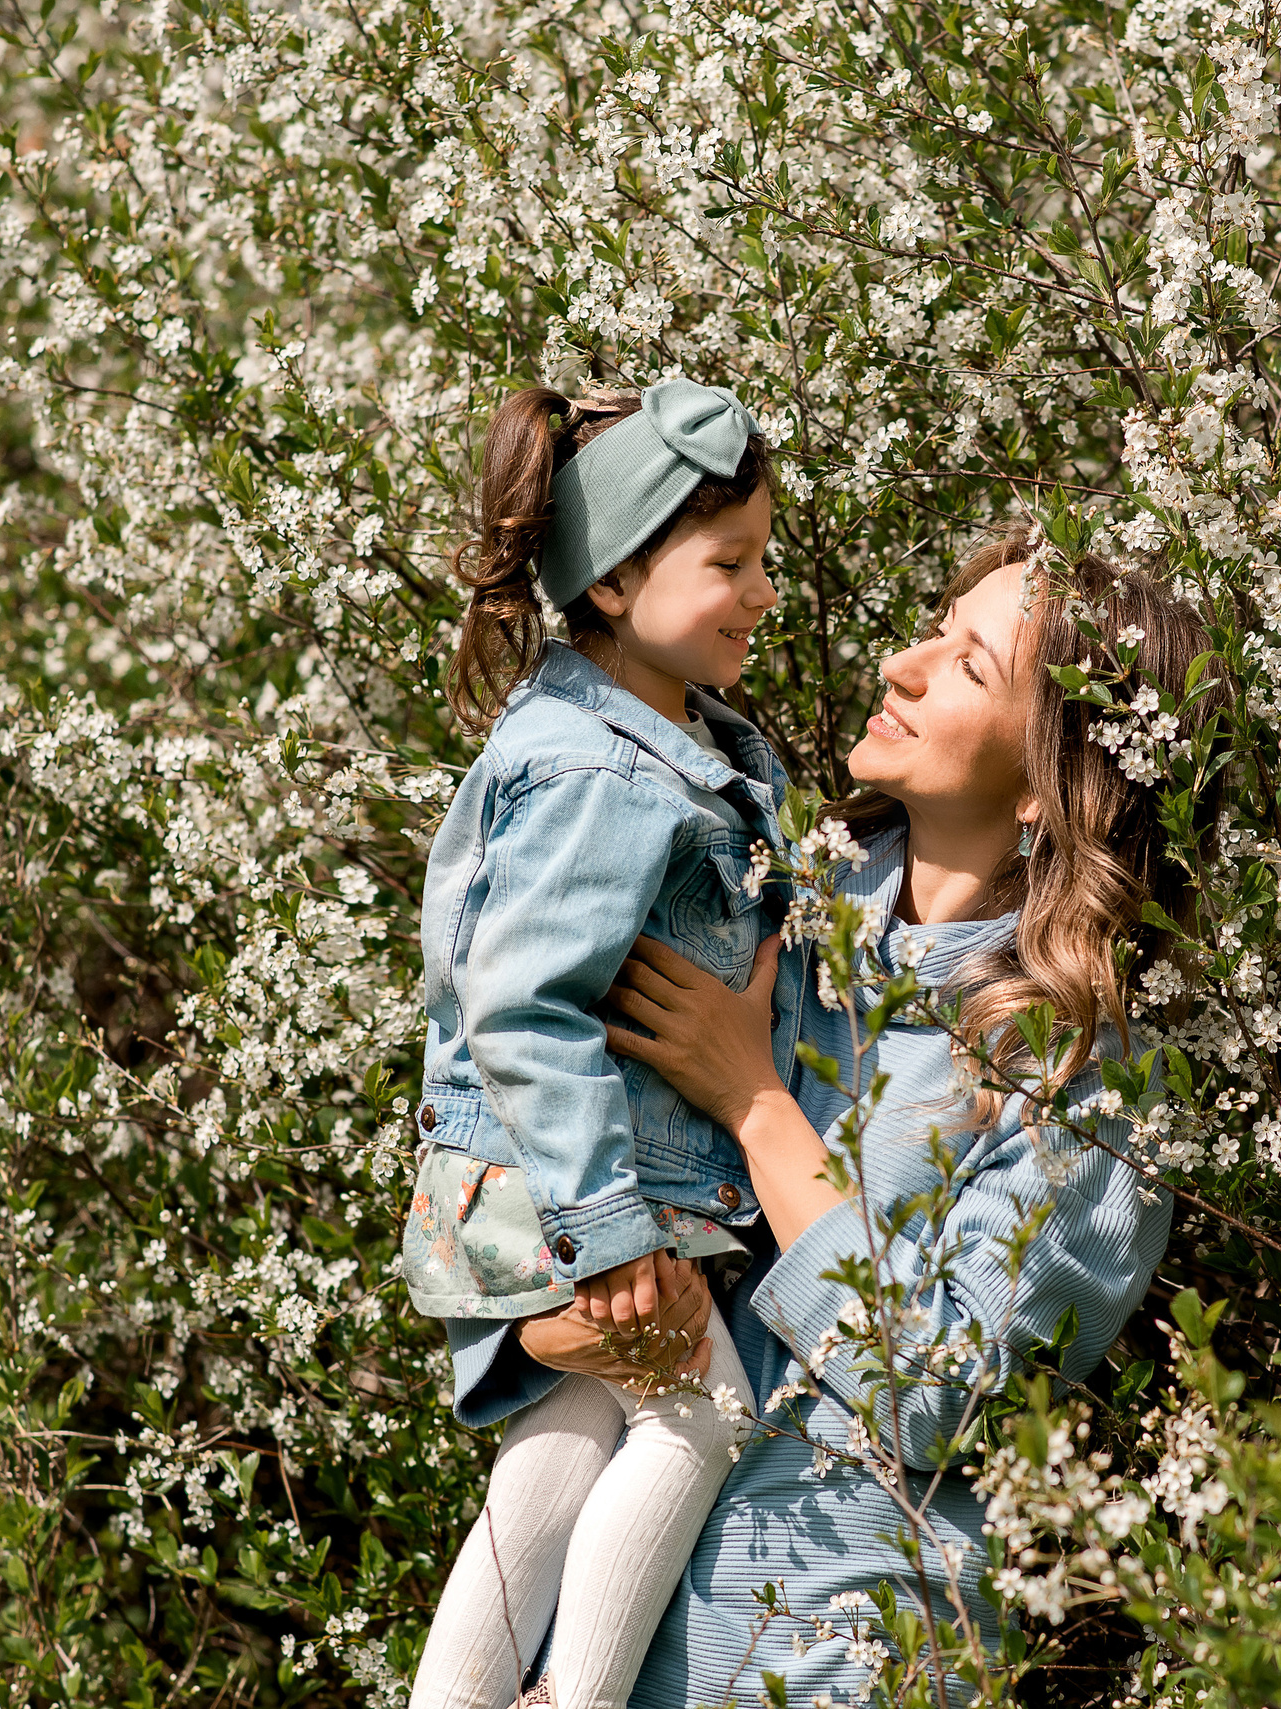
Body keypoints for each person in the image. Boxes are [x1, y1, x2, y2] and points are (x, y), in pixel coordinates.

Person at [561, 530, 1211, 1707]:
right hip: (596, 1613)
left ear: (1038, 782)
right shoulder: (764, 905)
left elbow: (941, 1394)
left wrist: (757, 1101)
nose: (902, 665)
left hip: (832, 1650)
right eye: (933, 625)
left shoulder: (1085, 1070)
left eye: (967, 665)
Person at [400, 378, 799, 1709]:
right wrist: (613, 1229)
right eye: (727, 564)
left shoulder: (662, 733)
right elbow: (523, 1006)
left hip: (560, 1183)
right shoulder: (598, 768)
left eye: (762, 561)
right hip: (585, 1192)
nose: (760, 593)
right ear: (618, 582)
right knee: (702, 1418)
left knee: (573, 1424)